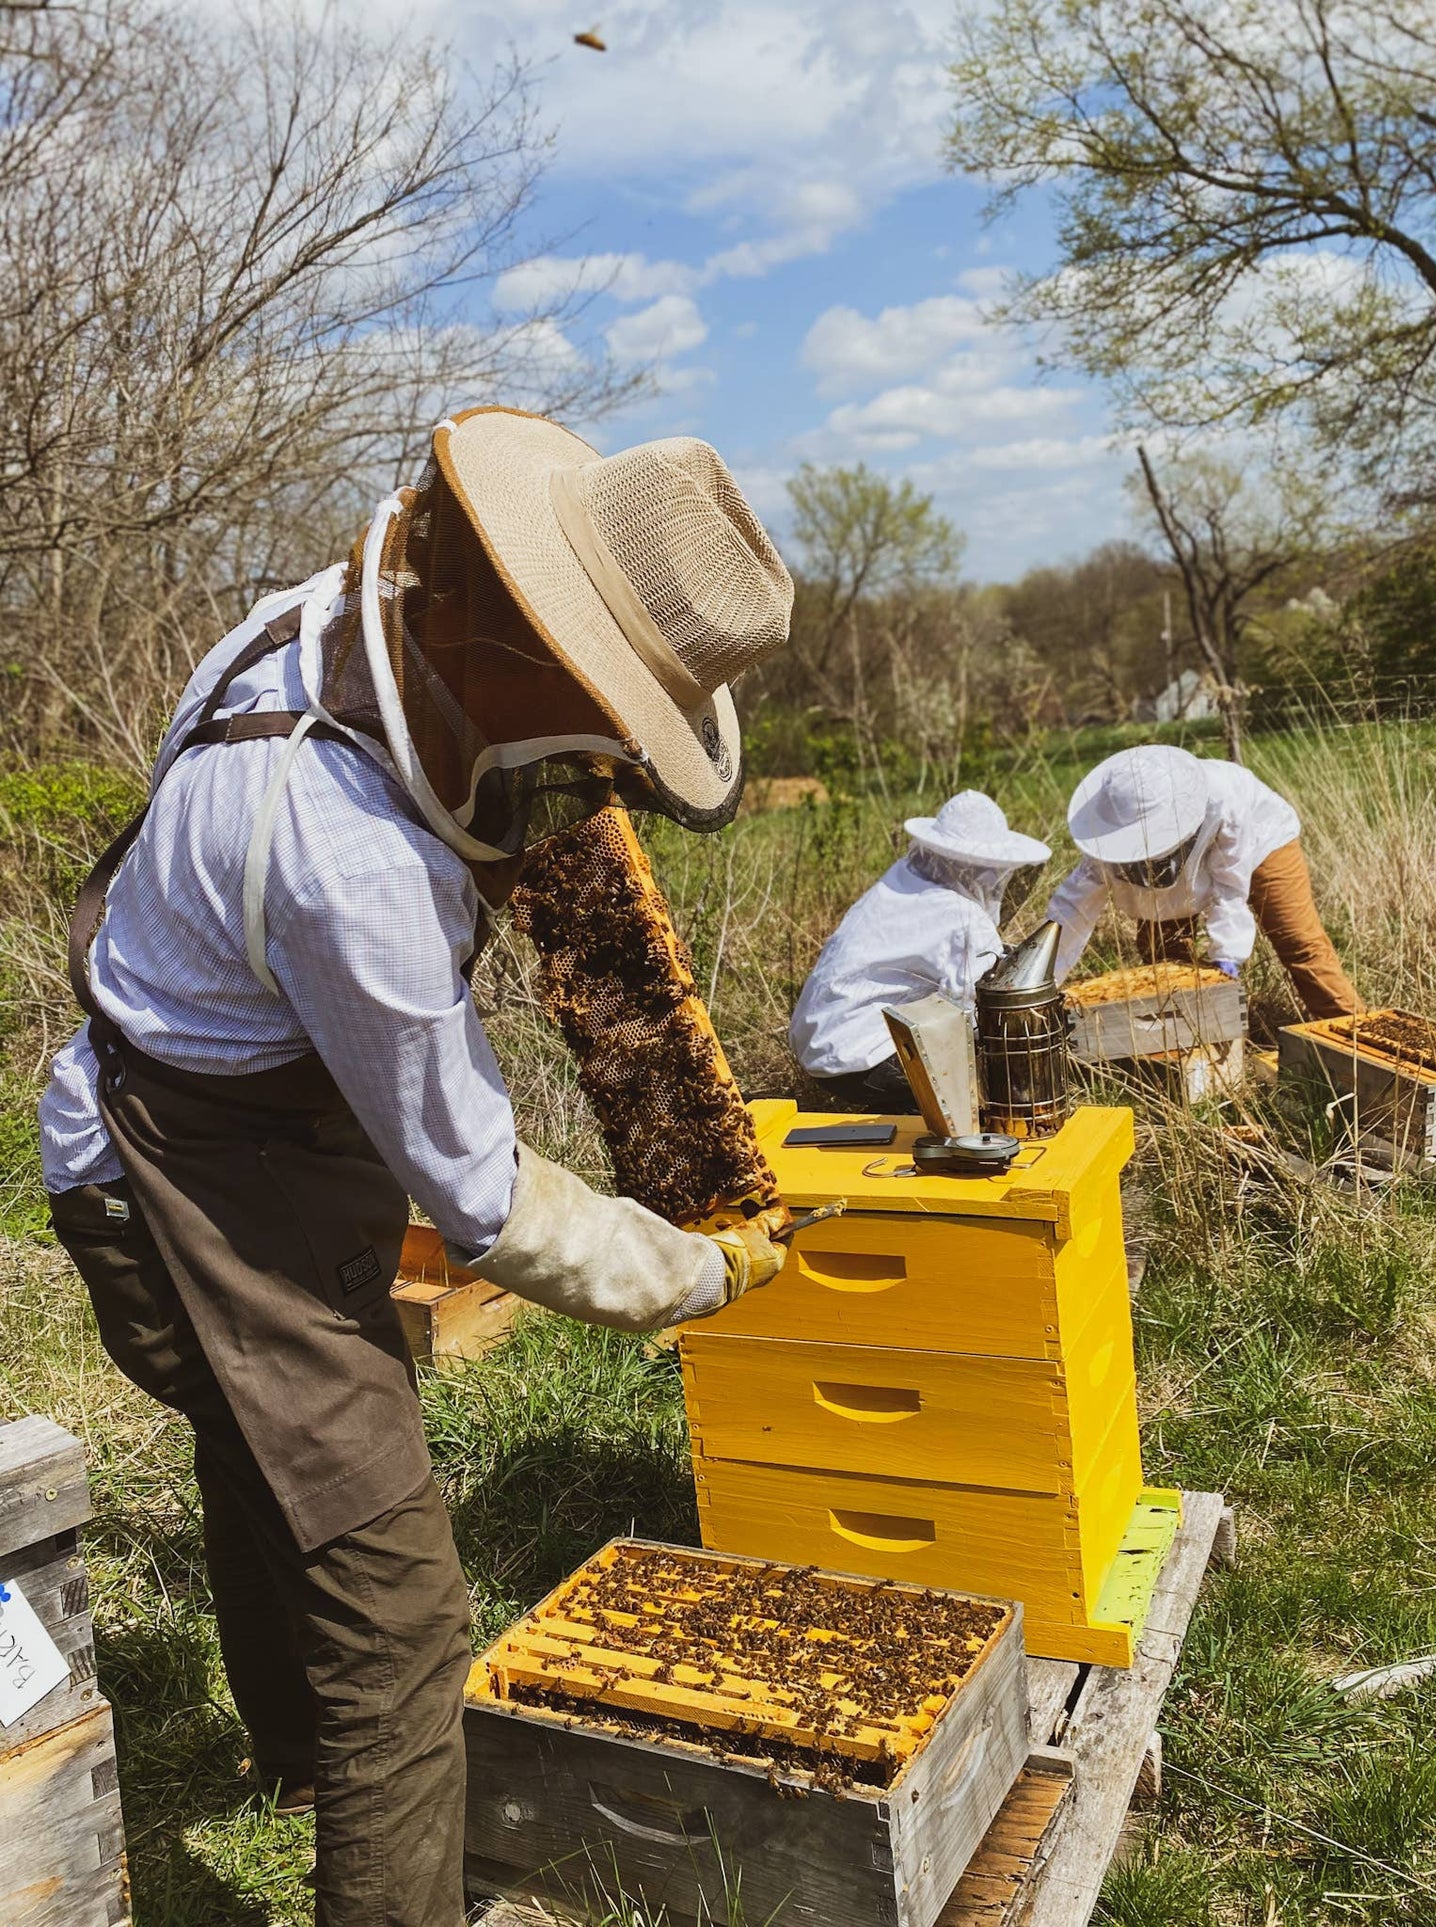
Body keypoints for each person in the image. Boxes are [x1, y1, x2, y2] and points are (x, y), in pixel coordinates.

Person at [39, 410, 796, 1927]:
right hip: (180, 1186)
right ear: (526, 633)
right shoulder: (348, 858)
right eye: (601, 707)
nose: (603, 761)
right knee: (398, 1615)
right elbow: (479, 1191)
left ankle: (304, 1760)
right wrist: (694, 1267)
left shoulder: (304, 619)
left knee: (265, 1462)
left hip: (178, 1137)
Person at [1046, 744, 1362, 1018]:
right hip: (1184, 869)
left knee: (1297, 941)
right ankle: (1196, 1029)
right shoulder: (1110, 829)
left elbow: (1229, 882)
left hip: (1262, 839)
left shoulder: (1223, 799)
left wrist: (1228, 951)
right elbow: (1074, 905)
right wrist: (1043, 975)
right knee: (1163, 952)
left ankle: (1352, 1037)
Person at [789, 791, 1051, 1110]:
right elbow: (973, 1009)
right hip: (862, 1058)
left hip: (819, 1046)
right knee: (977, 1056)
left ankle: (894, 1110)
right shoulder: (963, 916)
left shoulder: (901, 878)